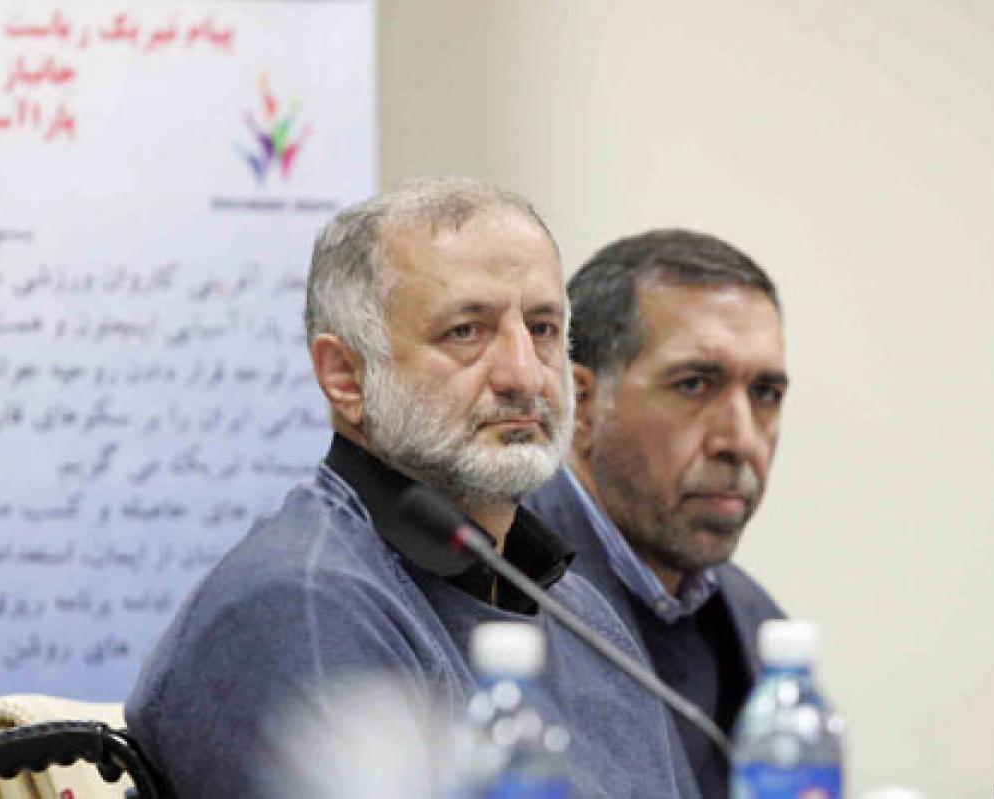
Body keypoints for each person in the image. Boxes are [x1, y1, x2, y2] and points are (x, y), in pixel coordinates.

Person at [125, 180, 699, 798]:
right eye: (466, 331)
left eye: (542, 328)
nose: (525, 375)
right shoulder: (304, 601)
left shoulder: (582, 612)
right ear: (345, 376)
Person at [526, 229, 789, 799]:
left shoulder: (757, 618)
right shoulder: (499, 602)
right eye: (694, 384)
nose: (740, 440)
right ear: (581, 403)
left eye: (765, 393)